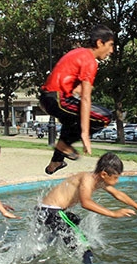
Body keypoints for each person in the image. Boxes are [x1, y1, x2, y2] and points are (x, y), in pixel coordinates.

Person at [35, 152, 137, 264]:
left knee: (74, 221)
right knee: (83, 246)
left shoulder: (98, 180)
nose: (117, 180)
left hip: (47, 211)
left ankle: (38, 254)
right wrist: (113, 214)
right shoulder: (87, 179)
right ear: (104, 174)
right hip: (51, 211)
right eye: (116, 177)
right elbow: (86, 202)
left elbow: (118, 194)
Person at [40, 24, 115, 175]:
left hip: (49, 98)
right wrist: (85, 135)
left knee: (72, 122)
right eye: (111, 45)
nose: (111, 51)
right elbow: (86, 98)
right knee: (105, 117)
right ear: (100, 43)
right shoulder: (90, 61)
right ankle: (63, 145)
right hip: (57, 99)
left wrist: (80, 89)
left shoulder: (79, 53)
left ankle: (56, 161)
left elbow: (75, 87)